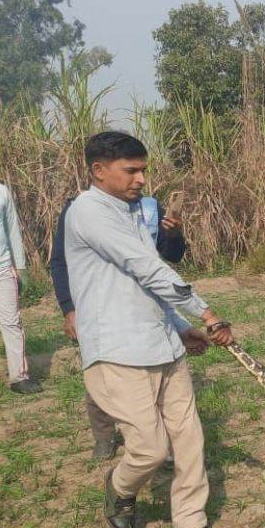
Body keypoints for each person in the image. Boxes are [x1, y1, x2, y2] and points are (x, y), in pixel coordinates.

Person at [67, 131, 236, 528]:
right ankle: (120, 488)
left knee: (189, 441)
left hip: (162, 344)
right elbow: (148, 269)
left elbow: (145, 284)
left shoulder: (131, 211)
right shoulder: (88, 212)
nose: (141, 179)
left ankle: (191, 526)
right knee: (149, 449)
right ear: (98, 170)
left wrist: (179, 327)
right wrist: (206, 314)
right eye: (131, 171)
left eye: (143, 170)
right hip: (119, 350)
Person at [51, 193, 187, 460]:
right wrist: (69, 308)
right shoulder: (79, 210)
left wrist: (174, 234)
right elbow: (59, 261)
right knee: (102, 374)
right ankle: (104, 436)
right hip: (99, 312)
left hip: (144, 309)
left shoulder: (149, 208)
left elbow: (172, 255)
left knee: (153, 374)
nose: (137, 179)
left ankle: (159, 440)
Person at [0, 179, 40, 395]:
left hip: (2, 269)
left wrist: (20, 267)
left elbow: (12, 229)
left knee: (12, 323)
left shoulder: (1, 191)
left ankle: (19, 377)